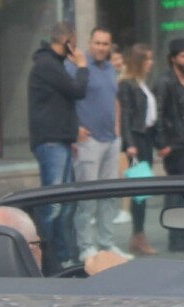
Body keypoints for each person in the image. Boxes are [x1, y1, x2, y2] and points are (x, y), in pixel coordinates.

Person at [28, 21, 89, 269]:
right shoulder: (46, 65)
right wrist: (82, 67)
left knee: (66, 203)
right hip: (51, 142)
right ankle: (48, 257)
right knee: (52, 204)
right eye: (74, 42)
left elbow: (60, 103)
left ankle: (63, 255)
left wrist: (70, 135)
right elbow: (77, 90)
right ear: (67, 41)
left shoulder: (54, 65)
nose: (76, 47)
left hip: (60, 139)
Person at [69, 27, 124, 262]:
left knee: (109, 198)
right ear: (89, 44)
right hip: (88, 141)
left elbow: (114, 100)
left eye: (105, 44)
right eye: (97, 43)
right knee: (86, 199)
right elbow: (66, 98)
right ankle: (85, 246)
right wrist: (74, 129)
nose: (101, 47)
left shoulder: (111, 69)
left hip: (111, 140)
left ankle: (106, 244)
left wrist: (118, 131)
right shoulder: (77, 67)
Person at [154, 38, 184, 251]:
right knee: (176, 192)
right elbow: (157, 112)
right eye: (183, 56)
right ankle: (176, 237)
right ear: (173, 58)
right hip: (175, 144)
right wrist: (162, 143)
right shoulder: (165, 81)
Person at [118, 43, 159, 256]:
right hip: (137, 139)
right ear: (138, 62)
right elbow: (126, 115)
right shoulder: (128, 84)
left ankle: (139, 235)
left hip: (146, 138)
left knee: (143, 190)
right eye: (147, 59)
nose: (151, 63)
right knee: (139, 190)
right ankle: (139, 235)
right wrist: (129, 143)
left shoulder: (142, 84)